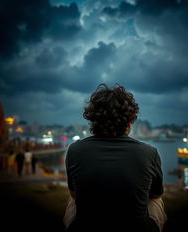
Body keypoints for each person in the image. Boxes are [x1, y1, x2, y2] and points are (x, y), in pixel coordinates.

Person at [65, 84, 166, 232]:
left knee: (72, 201)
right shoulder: (150, 153)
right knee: (156, 201)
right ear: (129, 122)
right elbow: (156, 194)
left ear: (94, 120)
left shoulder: (74, 150)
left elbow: (74, 193)